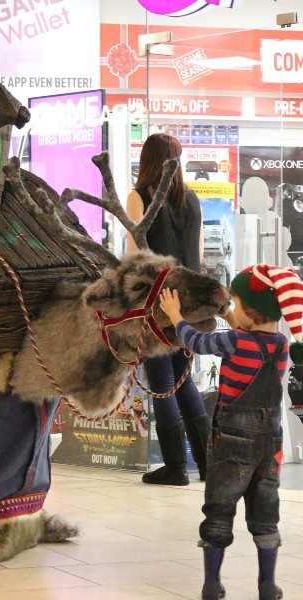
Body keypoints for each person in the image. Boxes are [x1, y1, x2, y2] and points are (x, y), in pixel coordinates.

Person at [159, 263, 303, 600]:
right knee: (266, 515)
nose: (231, 310)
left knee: (220, 509)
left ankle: (212, 583)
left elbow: (196, 341)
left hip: (231, 441)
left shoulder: (235, 341)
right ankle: (267, 585)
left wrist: (176, 315)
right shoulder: (282, 344)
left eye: (236, 304)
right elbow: (251, 330)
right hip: (271, 442)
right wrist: (231, 315)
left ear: (250, 313)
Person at [126, 132, 210, 486]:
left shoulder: (138, 196)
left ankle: (175, 468)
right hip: (191, 305)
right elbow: (200, 253)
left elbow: (134, 255)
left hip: (156, 303)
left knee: (160, 382)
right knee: (183, 380)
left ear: (147, 160)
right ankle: (207, 465)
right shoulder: (191, 199)